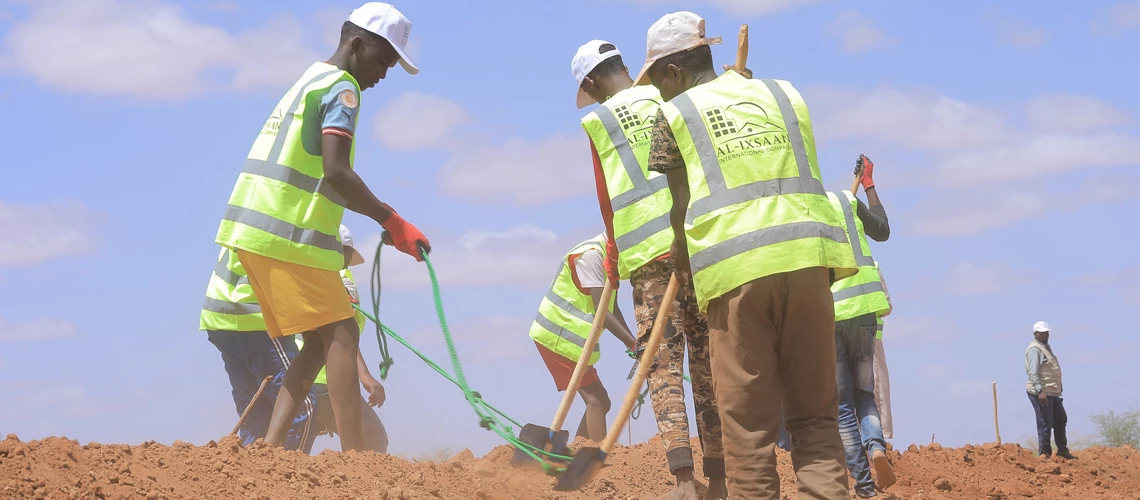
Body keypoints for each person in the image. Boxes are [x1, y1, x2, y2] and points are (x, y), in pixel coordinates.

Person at [640, 11, 858, 499]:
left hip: (737, 273)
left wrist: (681, 255)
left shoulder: (675, 114)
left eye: (656, 80)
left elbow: (681, 206)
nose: (657, 92)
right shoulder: (782, 94)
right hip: (808, 261)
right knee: (816, 418)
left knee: (749, 430)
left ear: (673, 70)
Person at [213, 2, 430, 452]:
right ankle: (356, 460)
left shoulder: (309, 79)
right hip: (287, 236)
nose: (384, 74)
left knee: (316, 345)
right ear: (356, 44)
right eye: (383, 60)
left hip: (257, 233)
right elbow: (337, 172)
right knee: (344, 334)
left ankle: (272, 446)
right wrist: (393, 221)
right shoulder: (344, 89)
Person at [573, 39, 726, 499]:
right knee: (708, 366)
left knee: (662, 367)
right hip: (697, 244)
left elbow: (606, 198)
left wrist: (615, 256)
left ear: (591, 82)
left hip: (647, 257)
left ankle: (682, 481)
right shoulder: (670, 90)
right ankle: (719, 481)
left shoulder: (599, 120)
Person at [200, 248, 318, 453]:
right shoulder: (286, 222)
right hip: (255, 317)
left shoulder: (242, 220)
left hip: (220, 319)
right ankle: (291, 475)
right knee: (302, 404)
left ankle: (255, 478)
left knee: (255, 410)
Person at [826, 165, 893, 497]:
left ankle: (865, 487)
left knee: (842, 404)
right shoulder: (844, 201)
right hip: (865, 308)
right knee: (865, 394)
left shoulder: (802, 210)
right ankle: (877, 446)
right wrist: (868, 182)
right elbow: (881, 230)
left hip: (831, 315)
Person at [529, 234, 637, 442]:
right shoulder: (591, 257)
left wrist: (634, 342)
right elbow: (602, 313)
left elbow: (612, 306)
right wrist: (632, 343)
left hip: (571, 341)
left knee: (602, 401)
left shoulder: (608, 258)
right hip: (558, 338)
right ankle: (597, 459)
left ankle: (580, 450)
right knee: (595, 400)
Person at [296, 225, 389, 453]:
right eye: (347, 254)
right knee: (374, 441)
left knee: (294, 451)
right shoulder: (339, 276)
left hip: (301, 378)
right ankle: (362, 487)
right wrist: (365, 375)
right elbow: (340, 333)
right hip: (328, 380)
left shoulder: (304, 274)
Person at [1026, 321, 1075, 460]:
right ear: (1035, 334)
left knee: (1060, 419)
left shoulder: (1045, 347)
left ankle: (1062, 450)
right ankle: (1044, 454)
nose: (1045, 335)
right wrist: (1040, 391)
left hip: (1052, 391)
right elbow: (1033, 372)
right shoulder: (1035, 349)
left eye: (1046, 332)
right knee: (1044, 423)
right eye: (1042, 333)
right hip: (1042, 392)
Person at [872, 262, 893, 441]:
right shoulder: (872, 264)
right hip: (870, 335)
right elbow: (886, 306)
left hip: (835, 332)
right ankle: (877, 440)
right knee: (875, 387)